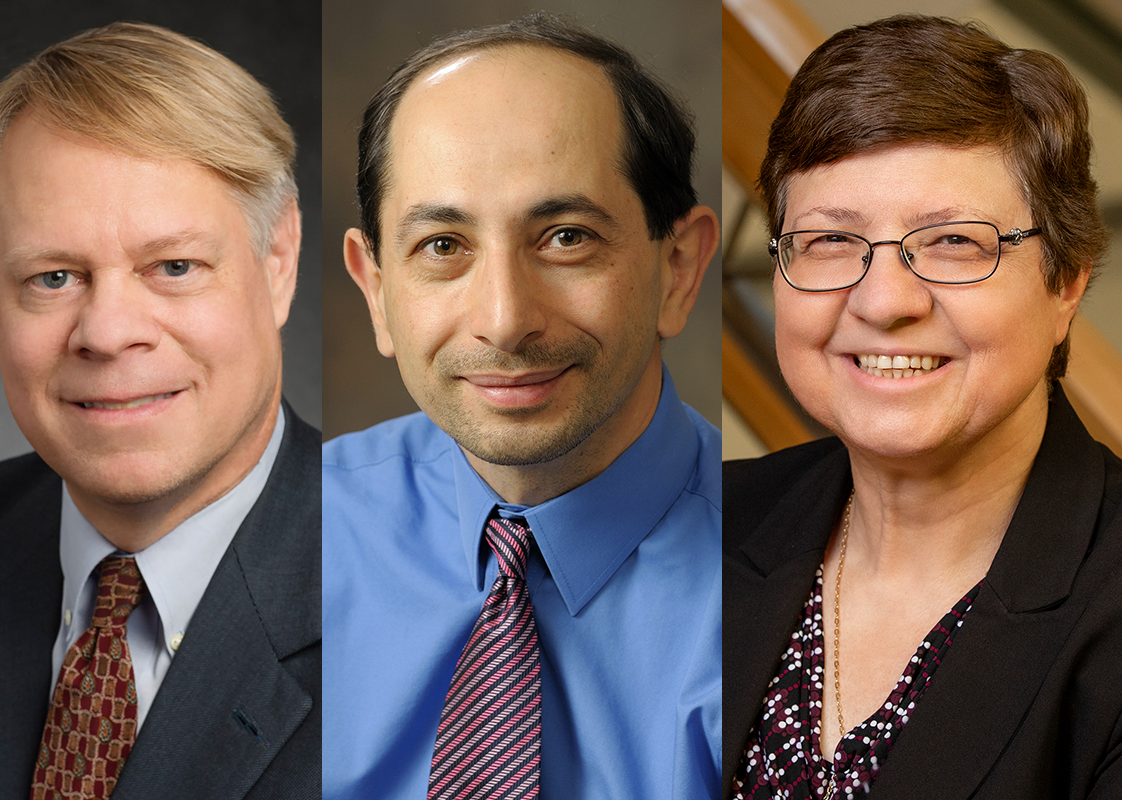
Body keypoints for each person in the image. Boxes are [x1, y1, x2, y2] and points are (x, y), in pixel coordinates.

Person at [324, 12, 722, 799]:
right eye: (444, 246)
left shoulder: (781, 578)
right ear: (375, 290)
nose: (505, 320)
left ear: (676, 270)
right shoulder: (291, 532)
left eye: (566, 237)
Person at [724, 14, 1122, 799]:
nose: (883, 301)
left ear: (1066, 281)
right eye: (830, 241)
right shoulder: (693, 530)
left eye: (952, 243)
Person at [0, 22, 319, 799]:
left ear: (278, 264)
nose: (107, 334)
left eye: (173, 266)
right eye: (54, 277)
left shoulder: (433, 610)